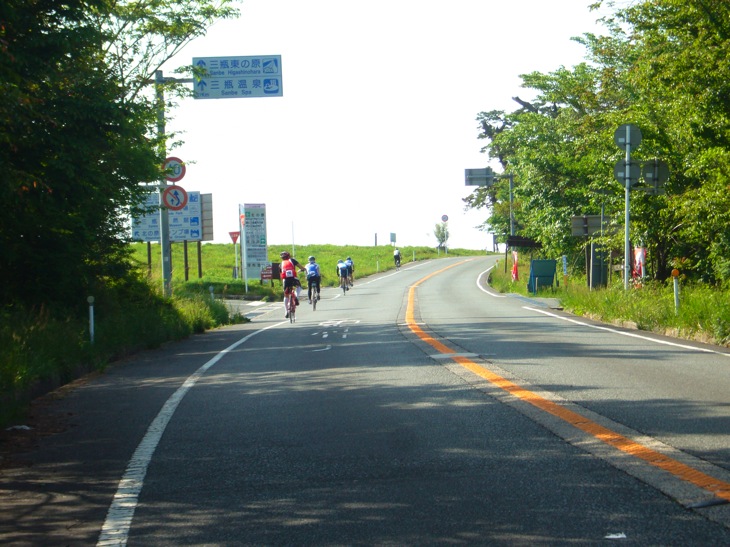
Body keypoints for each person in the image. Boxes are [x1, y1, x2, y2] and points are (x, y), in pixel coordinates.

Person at [279, 251, 305, 318]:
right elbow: (301, 267)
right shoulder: (292, 260)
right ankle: (296, 296)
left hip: (286, 280)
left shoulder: (280, 264)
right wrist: (303, 269)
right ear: (289, 256)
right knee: (299, 287)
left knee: (286, 295)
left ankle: (286, 311)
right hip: (293, 278)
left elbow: (281, 275)